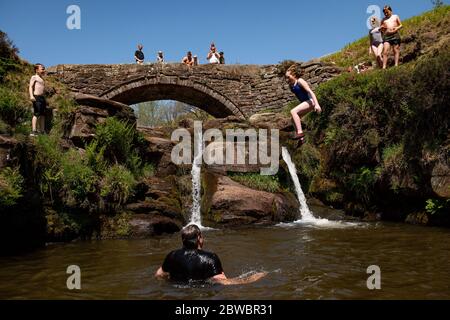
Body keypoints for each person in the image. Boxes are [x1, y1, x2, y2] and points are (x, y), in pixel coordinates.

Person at [155, 224, 267, 285]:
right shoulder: (209, 258)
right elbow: (224, 282)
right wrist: (250, 279)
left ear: (183, 240)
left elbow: (159, 275)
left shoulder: (172, 255)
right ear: (199, 238)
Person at [285, 65, 322, 147]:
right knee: (292, 120)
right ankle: (301, 139)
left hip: (311, 101)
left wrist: (317, 104)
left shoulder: (300, 81)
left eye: (288, 77)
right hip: (306, 103)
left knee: (293, 111)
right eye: (286, 78)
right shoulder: (291, 86)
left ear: (294, 75)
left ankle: (300, 133)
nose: (287, 79)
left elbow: (311, 92)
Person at [29, 63, 47, 137]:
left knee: (42, 115)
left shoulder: (42, 78)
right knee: (37, 113)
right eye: (42, 69)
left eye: (44, 69)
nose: (43, 70)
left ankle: (42, 131)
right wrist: (31, 96)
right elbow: (30, 87)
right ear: (37, 70)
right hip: (36, 97)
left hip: (42, 98)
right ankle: (34, 131)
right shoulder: (34, 77)